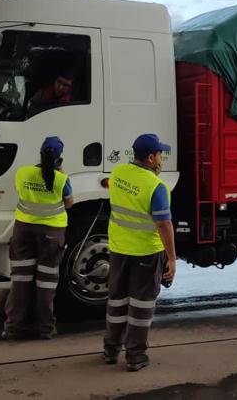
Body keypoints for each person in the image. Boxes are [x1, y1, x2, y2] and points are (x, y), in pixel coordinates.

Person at [103, 133, 177, 372]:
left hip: (118, 249)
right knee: (141, 306)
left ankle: (111, 349)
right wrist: (172, 259)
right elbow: (164, 225)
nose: (161, 159)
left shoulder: (118, 174)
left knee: (117, 301)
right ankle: (135, 356)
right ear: (150, 157)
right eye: (159, 155)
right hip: (145, 253)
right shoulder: (156, 187)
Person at [2, 136, 75, 340]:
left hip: (23, 230)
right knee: (46, 282)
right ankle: (46, 328)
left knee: (20, 280)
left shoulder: (23, 172)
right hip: (52, 234)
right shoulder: (61, 179)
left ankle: (13, 327)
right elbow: (69, 203)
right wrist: (62, 174)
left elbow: (20, 192)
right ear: (59, 157)